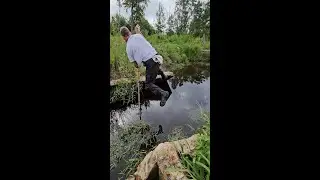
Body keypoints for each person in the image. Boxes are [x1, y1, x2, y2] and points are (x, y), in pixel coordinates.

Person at [120, 25, 169, 106]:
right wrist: (137, 30)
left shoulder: (128, 47)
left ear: (123, 37)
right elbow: (142, 40)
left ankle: (164, 93)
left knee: (148, 84)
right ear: (129, 32)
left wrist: (137, 66)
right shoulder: (138, 36)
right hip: (157, 58)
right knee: (150, 66)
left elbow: (135, 64)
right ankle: (162, 74)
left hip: (151, 63)